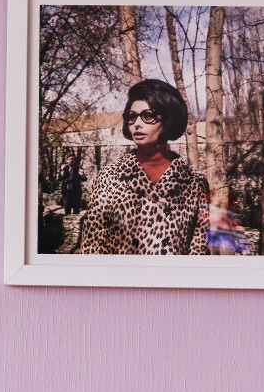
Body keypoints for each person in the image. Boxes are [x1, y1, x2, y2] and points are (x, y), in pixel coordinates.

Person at [79, 77, 210, 257]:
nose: (136, 124)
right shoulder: (109, 177)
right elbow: (92, 246)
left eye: (148, 116)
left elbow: (199, 247)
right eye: (131, 117)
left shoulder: (194, 182)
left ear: (168, 119)